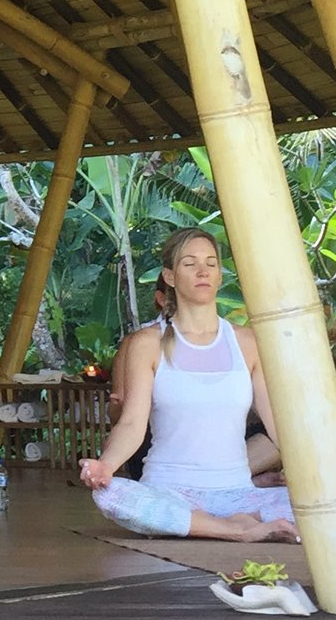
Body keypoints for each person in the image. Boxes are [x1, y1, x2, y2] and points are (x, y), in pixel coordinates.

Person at [81, 229, 299, 542]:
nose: (202, 271)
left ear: (220, 276)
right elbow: (131, 423)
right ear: (169, 276)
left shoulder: (248, 342)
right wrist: (106, 467)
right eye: (190, 264)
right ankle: (235, 529)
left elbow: (279, 424)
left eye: (211, 264)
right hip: (169, 491)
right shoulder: (147, 343)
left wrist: (333, 480)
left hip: (237, 492)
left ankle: (222, 521)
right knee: (112, 495)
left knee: (332, 505)